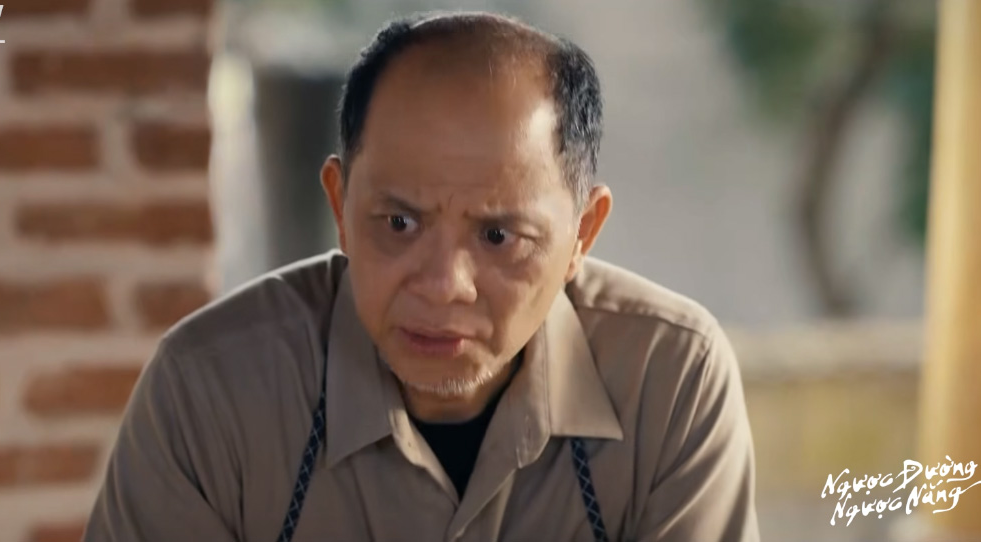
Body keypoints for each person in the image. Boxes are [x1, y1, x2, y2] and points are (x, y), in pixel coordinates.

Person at [85, 11, 759, 542]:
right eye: (399, 224)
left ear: (582, 233)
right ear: (340, 207)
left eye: (498, 237)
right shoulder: (212, 392)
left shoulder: (668, 380)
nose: (443, 284)